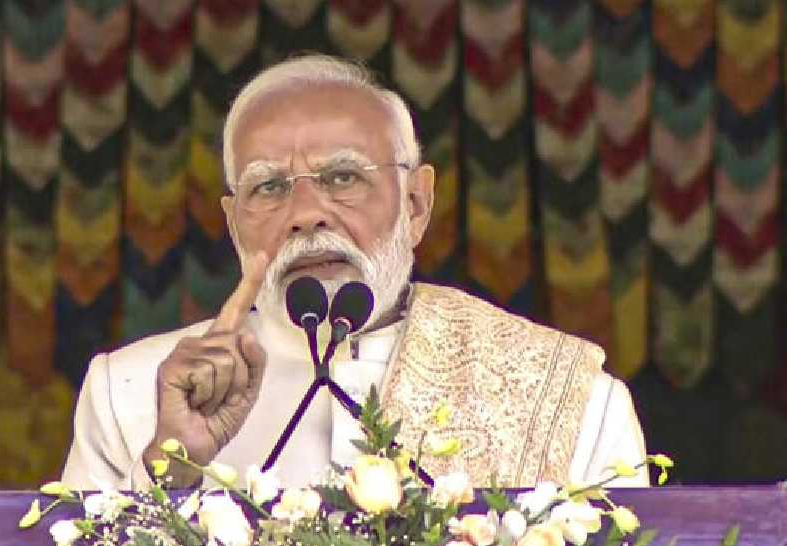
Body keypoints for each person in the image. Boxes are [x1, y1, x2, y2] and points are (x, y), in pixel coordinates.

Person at [61, 54, 648, 492]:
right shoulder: (131, 393)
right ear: (234, 223)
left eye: (343, 178)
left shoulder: (573, 399)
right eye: (268, 187)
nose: (306, 215)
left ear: (417, 205)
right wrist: (173, 469)